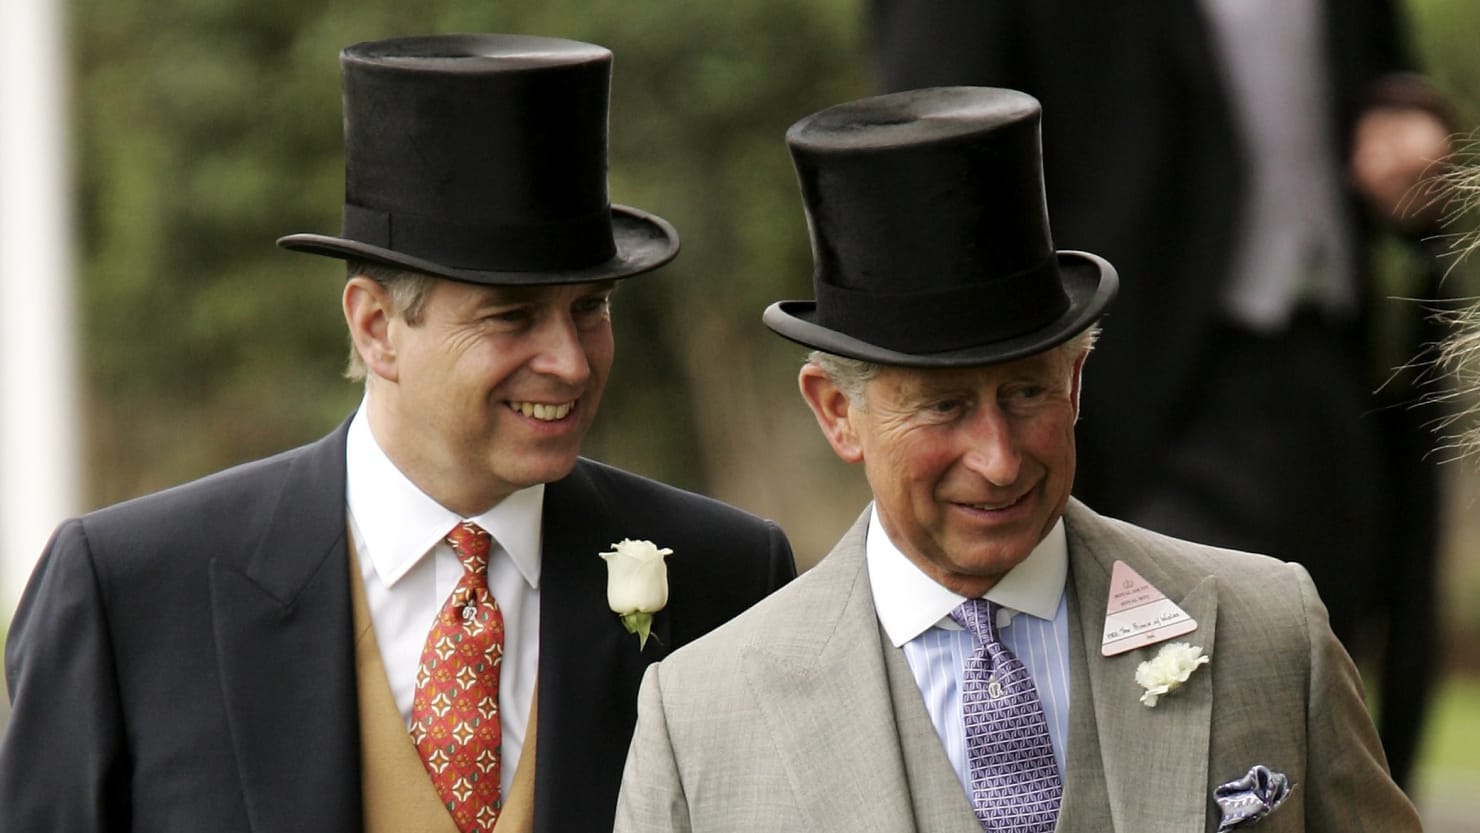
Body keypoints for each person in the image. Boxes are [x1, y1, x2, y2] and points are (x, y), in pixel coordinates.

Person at [0, 34, 795, 833]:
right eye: (511, 316)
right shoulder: (129, 594)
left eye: (591, 308)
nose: (569, 361)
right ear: (377, 326)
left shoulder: (729, 583)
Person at [615, 87, 1418, 832]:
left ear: (1075, 379)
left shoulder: (1271, 630)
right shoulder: (701, 716)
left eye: (1027, 393)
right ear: (837, 410)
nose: (999, 460)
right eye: (944, 406)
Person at [869, 0, 1455, 787]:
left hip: (1330, 372)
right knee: (1155, 742)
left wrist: (1401, 120)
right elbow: (930, 146)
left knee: (1320, 725)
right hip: (1119, 396)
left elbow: (1374, 66)